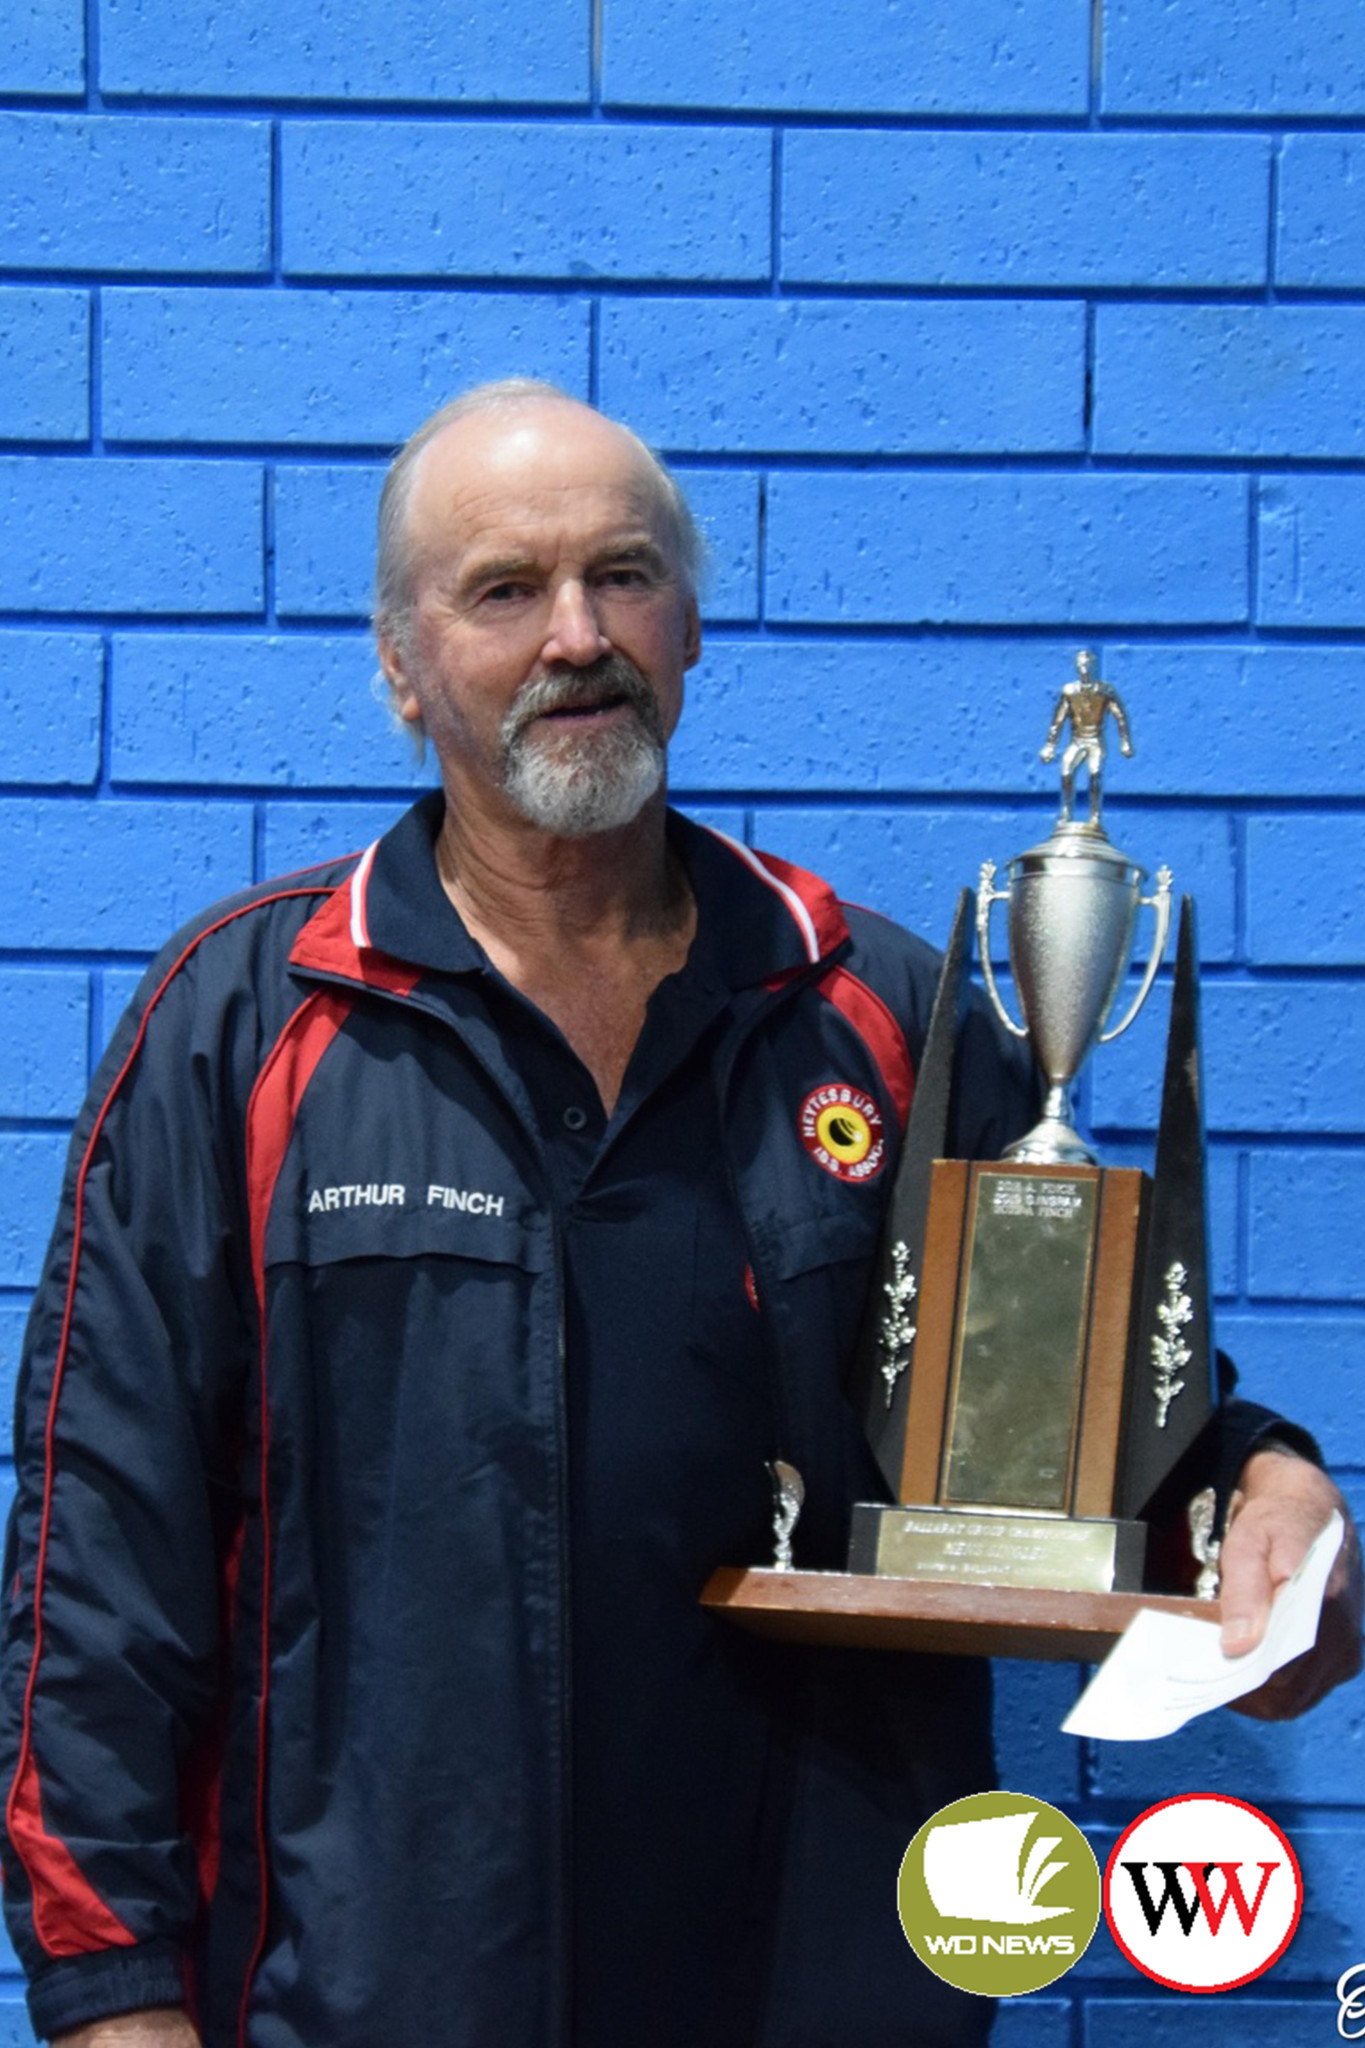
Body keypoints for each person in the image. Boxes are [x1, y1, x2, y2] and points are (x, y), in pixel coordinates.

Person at [1, 382, 1358, 2048]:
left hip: (820, 1993)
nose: (576, 633)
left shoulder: (883, 1016)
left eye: (623, 575)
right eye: (503, 589)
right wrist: (111, 2002)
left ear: (694, 627)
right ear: (398, 663)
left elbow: (1116, 1403)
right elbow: (94, 1570)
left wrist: (1265, 1486)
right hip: (364, 2006)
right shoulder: (242, 1026)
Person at [1039, 647, 1133, 828]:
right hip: (1077, 740)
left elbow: (1119, 716)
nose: (1084, 669)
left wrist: (1125, 742)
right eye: (1081, 665)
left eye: (1087, 665)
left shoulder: (1104, 691)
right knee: (1066, 769)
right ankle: (1066, 812)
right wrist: (1050, 745)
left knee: (1094, 772)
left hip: (1095, 740)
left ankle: (1095, 816)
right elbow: (1058, 720)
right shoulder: (1070, 692)